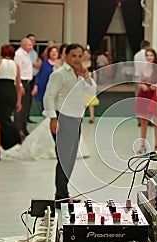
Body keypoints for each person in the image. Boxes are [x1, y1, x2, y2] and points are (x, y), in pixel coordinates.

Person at [43, 43, 96, 204]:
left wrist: (87, 77)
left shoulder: (81, 74)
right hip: (62, 118)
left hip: (75, 120)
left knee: (70, 158)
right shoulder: (59, 74)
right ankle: (61, 195)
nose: (77, 59)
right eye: (73, 56)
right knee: (64, 158)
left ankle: (63, 193)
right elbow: (48, 96)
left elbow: (91, 92)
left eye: (80, 56)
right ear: (65, 56)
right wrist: (53, 118)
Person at [0, 44, 23, 161]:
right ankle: (15, 135)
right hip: (11, 92)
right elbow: (18, 85)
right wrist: (19, 101)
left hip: (0, 91)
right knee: (6, 118)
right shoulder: (16, 66)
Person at [133, 48, 157, 154]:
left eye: (151, 55)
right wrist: (142, 86)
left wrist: (155, 86)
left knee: (156, 122)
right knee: (143, 121)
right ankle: (142, 145)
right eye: (147, 55)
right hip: (144, 95)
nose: (149, 57)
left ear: (154, 57)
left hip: (153, 96)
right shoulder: (142, 69)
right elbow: (139, 82)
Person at [14, 38, 33, 137]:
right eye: (29, 45)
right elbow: (17, 70)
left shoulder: (26, 54)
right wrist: (20, 85)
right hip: (22, 82)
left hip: (28, 82)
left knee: (26, 107)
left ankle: (23, 128)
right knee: (20, 107)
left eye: (31, 45)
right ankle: (18, 129)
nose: (31, 47)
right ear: (23, 44)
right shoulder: (19, 55)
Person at [31, 44, 60, 110]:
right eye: (52, 52)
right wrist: (35, 86)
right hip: (44, 88)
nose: (54, 53)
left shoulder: (61, 64)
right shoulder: (44, 63)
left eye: (55, 52)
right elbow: (39, 75)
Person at [83, 49, 99, 123]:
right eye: (84, 54)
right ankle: (81, 117)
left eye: (87, 54)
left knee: (91, 101)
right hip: (82, 81)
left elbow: (94, 72)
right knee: (81, 101)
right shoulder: (80, 63)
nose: (86, 55)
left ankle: (92, 117)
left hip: (90, 81)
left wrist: (95, 82)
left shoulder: (92, 63)